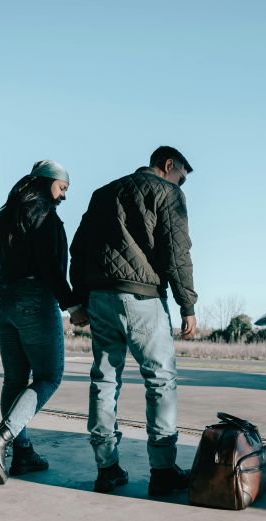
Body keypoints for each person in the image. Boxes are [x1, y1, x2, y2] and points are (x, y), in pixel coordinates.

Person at [70, 146, 198, 495]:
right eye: (181, 177)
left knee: (104, 380)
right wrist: (187, 303)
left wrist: (78, 300)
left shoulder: (103, 193)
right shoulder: (168, 193)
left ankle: (106, 468)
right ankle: (162, 471)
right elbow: (176, 252)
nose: (182, 185)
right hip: (142, 298)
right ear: (168, 165)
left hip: (100, 298)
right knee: (160, 381)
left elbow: (78, 249)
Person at [0, 159, 88, 485]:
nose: (64, 196)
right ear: (44, 182)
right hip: (34, 300)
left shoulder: (6, 217)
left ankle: (23, 453)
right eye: (62, 187)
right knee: (49, 375)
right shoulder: (45, 219)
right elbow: (49, 267)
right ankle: (3, 437)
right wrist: (71, 304)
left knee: (14, 380)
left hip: (3, 300)